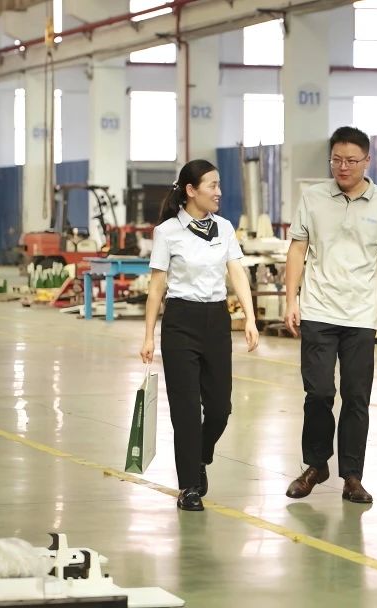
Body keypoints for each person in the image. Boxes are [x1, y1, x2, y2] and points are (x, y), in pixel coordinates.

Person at [283, 126, 377, 504]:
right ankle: (316, 465)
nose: (343, 167)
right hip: (318, 309)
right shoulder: (313, 197)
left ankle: (352, 476)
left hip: (362, 314)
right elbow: (297, 249)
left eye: (351, 160)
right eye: (336, 159)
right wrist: (291, 300)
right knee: (319, 392)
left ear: (367, 161)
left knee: (356, 396)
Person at [140, 159, 259, 512]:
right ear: (191, 191)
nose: (219, 192)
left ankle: (202, 453)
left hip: (216, 321)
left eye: (219, 185)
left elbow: (236, 273)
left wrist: (250, 318)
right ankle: (189, 486)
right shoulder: (167, 232)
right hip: (181, 322)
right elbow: (156, 288)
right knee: (186, 411)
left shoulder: (224, 228)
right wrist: (148, 336)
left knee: (221, 408)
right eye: (212, 185)